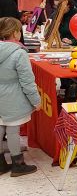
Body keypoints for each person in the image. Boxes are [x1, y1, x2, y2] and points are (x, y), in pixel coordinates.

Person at [0, 17, 40, 177]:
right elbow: (27, 81)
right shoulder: (19, 54)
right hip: (14, 97)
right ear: (15, 33)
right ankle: (18, 163)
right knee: (13, 129)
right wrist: (36, 101)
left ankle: (1, 164)